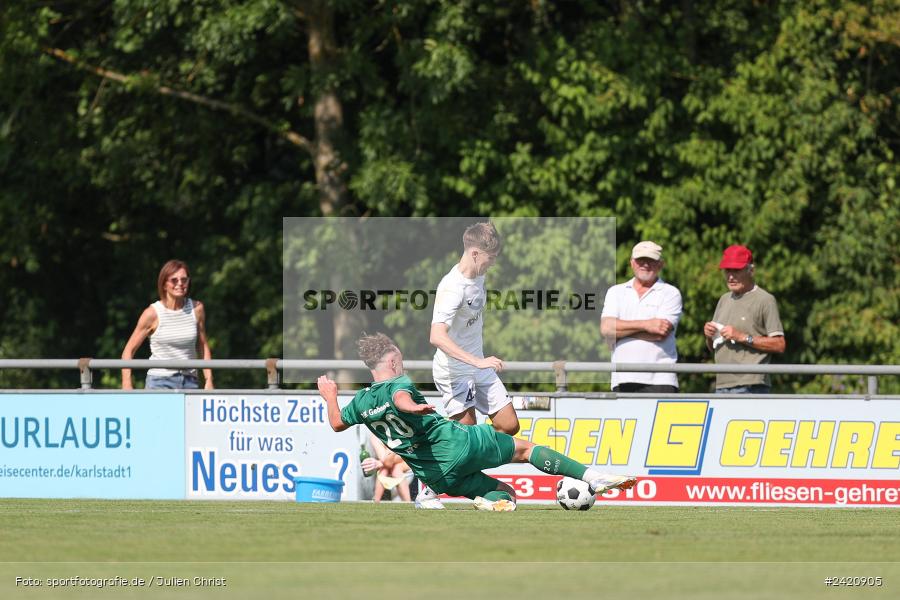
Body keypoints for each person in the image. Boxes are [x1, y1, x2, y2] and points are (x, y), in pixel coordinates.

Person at [317, 332, 637, 512]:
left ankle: (486, 503)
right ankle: (593, 477)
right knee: (525, 449)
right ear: (391, 360)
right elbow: (400, 399)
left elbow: (336, 423)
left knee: (506, 494)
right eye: (399, 358)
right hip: (459, 444)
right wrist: (414, 408)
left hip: (437, 475)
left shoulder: (361, 401)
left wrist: (330, 395)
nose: (401, 363)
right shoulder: (400, 384)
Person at [422, 222, 519, 508]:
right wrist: (477, 360)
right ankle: (429, 486)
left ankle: (467, 470)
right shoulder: (452, 288)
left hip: (479, 367)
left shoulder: (478, 274)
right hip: (455, 371)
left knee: (509, 425)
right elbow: (436, 336)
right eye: (491, 257)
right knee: (465, 442)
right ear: (475, 254)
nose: (493, 263)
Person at [600, 241, 682, 393]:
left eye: (651, 260)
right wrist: (646, 325)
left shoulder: (670, 293)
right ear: (632, 263)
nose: (645, 264)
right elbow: (606, 329)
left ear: (660, 264)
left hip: (660, 379)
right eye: (640, 260)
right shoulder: (615, 292)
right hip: (622, 379)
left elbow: (660, 333)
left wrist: (619, 333)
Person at [703, 245, 786, 393]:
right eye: (727, 270)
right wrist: (709, 335)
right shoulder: (724, 299)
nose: (730, 276)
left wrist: (742, 337)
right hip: (721, 384)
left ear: (751, 271)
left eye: (736, 270)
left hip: (751, 385)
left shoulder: (765, 300)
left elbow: (779, 344)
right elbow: (712, 347)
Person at [121, 259, 214, 390]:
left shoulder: (197, 309)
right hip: (159, 381)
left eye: (184, 279)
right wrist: (127, 384)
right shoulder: (152, 313)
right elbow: (128, 350)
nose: (180, 283)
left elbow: (203, 346)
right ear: (164, 284)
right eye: (174, 280)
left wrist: (209, 379)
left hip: (190, 381)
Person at [362, 434, 412, 503]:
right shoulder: (375, 437)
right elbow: (387, 463)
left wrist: (380, 463)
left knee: (396, 469)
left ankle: (407, 502)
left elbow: (405, 457)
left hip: (405, 463)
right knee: (384, 470)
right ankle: (376, 502)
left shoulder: (403, 433)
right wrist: (392, 447)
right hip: (388, 465)